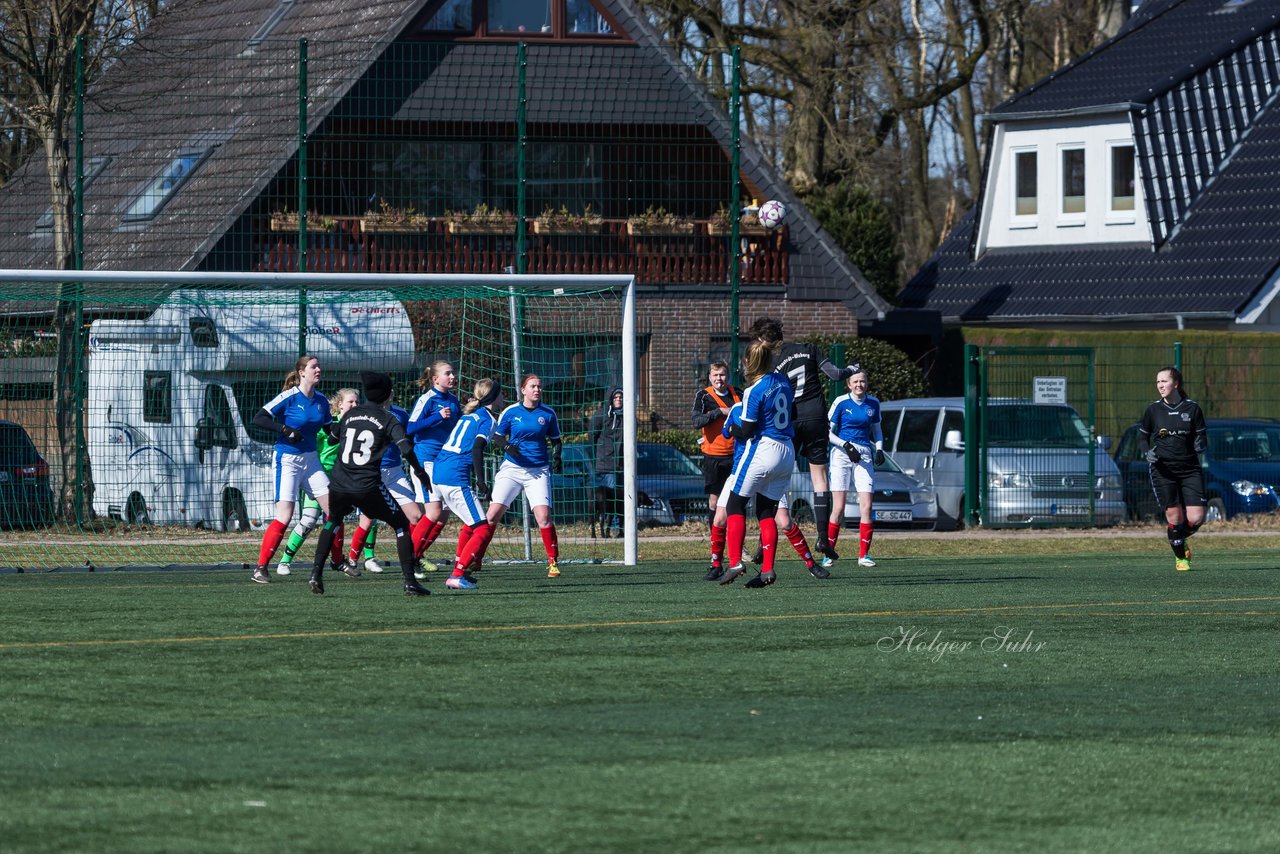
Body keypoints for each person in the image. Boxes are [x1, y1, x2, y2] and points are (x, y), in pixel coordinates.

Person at [308, 371, 432, 596]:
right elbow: (406, 448)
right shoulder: (388, 418)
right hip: (367, 485)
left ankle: (316, 574)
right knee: (402, 525)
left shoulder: (351, 415)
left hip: (338, 482)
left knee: (332, 521)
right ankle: (409, 582)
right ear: (387, 395)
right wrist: (420, 472)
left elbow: (333, 438)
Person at [749, 317, 857, 563]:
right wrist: (852, 368)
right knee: (819, 477)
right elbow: (836, 374)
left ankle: (762, 544)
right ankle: (822, 537)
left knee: (775, 479)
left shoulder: (769, 361)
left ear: (763, 340)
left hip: (787, 421)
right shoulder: (809, 349)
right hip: (816, 417)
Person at [706, 397, 822, 581]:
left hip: (764, 468)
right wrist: (734, 428)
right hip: (741, 471)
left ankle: (810, 563)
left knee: (783, 521)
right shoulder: (737, 409)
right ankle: (716, 565)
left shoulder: (768, 411)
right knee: (720, 519)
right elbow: (726, 432)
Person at [718, 338, 796, 588]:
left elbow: (748, 430)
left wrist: (731, 426)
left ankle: (735, 563)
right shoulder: (784, 382)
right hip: (787, 450)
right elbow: (790, 413)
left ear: (750, 362)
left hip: (765, 448)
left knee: (735, 503)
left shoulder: (754, 391)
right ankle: (767, 570)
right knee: (766, 510)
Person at [249, 354, 332, 584]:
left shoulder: (322, 401)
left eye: (319, 366)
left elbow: (329, 431)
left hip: (311, 459)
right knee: (285, 516)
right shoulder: (289, 396)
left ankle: (337, 560)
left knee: (334, 510)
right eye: (313, 367)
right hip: (288, 460)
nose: (318, 370)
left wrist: (344, 430)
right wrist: (285, 430)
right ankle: (261, 568)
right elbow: (259, 418)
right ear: (301, 372)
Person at [485, 373, 564, 577]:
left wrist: (557, 456)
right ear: (523, 390)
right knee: (492, 515)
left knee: (543, 517)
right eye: (532, 386)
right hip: (512, 469)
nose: (537, 389)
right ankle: (476, 556)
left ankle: (553, 562)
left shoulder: (548, 414)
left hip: (538, 471)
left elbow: (556, 439)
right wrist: (507, 447)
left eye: (539, 386)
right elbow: (498, 436)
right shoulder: (511, 412)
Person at [432, 378, 505, 589]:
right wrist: (482, 481)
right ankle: (457, 575)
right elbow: (477, 448)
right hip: (453, 475)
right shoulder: (488, 419)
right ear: (492, 397)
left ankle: (460, 568)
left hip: (441, 471)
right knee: (482, 529)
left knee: (471, 524)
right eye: (500, 394)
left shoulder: (472, 415)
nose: (503, 397)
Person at [275, 387, 357, 576]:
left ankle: (338, 560)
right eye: (350, 402)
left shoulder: (357, 426)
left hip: (341, 481)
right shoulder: (327, 426)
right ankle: (284, 561)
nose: (354, 405)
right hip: (319, 478)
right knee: (309, 520)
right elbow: (314, 448)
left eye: (357, 402)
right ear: (340, 405)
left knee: (337, 519)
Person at [345, 387, 425, 574]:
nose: (387, 392)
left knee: (415, 516)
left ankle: (411, 561)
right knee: (367, 521)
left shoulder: (400, 413)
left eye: (390, 389)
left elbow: (409, 437)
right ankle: (352, 560)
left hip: (395, 471)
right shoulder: (365, 413)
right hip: (373, 471)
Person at [1138, 366, 1208, 571]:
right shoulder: (1153, 410)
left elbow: (1202, 436)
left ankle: (1177, 537)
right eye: (1158, 382)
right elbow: (1142, 437)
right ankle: (1181, 558)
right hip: (1163, 470)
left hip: (1190, 469)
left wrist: (1200, 444)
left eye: (1164, 381)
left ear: (1175, 384)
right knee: (1174, 517)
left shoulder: (1192, 408)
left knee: (1196, 518)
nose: (1160, 385)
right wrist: (1146, 452)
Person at [407, 360, 461, 573]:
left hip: (444, 461)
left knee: (444, 515)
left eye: (453, 373)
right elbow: (410, 428)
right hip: (425, 460)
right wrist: (436, 417)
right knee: (434, 511)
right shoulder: (427, 399)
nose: (452, 377)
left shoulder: (454, 401)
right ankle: (409, 559)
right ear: (435, 379)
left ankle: (415, 556)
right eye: (447, 373)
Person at [827, 367, 884, 568]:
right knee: (839, 508)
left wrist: (879, 449)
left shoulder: (873, 403)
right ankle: (828, 554)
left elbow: (877, 431)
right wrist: (845, 445)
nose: (859, 385)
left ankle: (864, 556)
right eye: (855, 382)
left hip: (864, 454)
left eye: (862, 381)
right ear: (848, 384)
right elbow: (828, 432)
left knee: (867, 506)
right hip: (842, 453)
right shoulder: (841, 402)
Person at [691, 361, 740, 543]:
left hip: (737, 455)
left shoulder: (739, 394)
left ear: (728, 376)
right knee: (714, 500)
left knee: (735, 501)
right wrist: (719, 412)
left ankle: (735, 541)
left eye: (722, 375)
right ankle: (716, 540)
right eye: (716, 375)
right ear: (710, 377)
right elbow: (696, 421)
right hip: (713, 456)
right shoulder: (704, 396)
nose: (719, 379)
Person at [589, 386, 625, 538]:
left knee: (615, 500)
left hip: (615, 466)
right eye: (615, 398)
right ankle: (595, 527)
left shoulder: (627, 416)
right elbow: (592, 436)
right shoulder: (601, 415)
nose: (618, 400)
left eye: (620, 398)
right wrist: (596, 456)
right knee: (597, 501)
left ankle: (617, 528)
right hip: (600, 464)